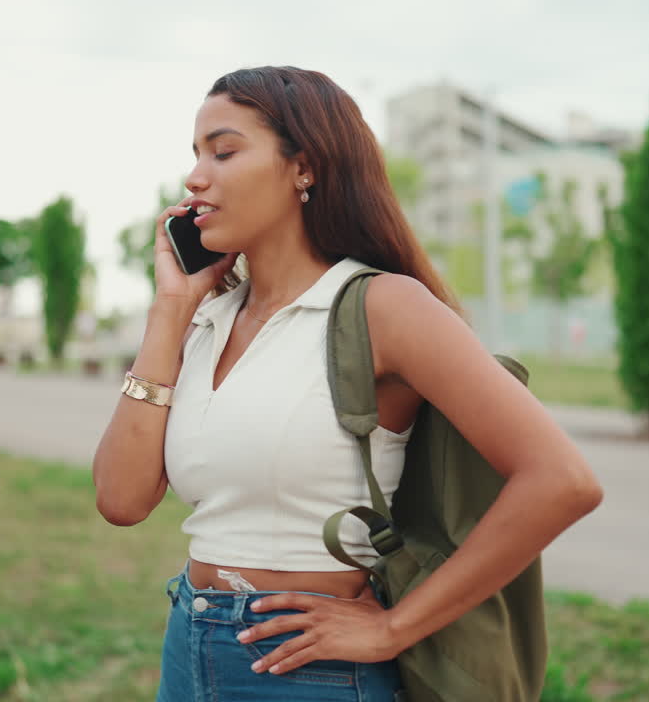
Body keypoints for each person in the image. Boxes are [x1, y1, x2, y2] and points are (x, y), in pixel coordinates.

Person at [92, 66, 603, 702]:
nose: (196, 177)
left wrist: (393, 629)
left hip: (312, 669)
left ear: (303, 167)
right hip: (189, 644)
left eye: (223, 152)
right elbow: (121, 498)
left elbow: (562, 481)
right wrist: (170, 309)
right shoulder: (205, 319)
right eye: (195, 155)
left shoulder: (383, 307)